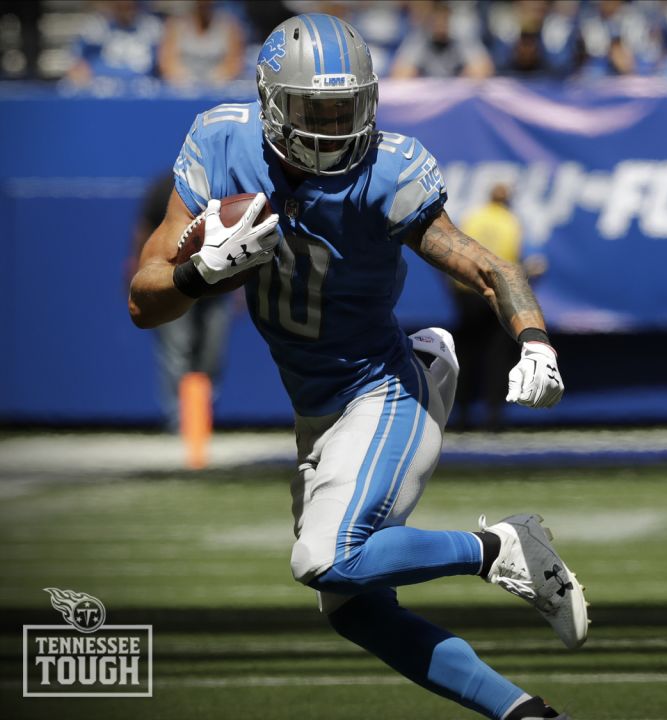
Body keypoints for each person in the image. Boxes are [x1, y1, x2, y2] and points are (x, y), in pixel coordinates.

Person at [127, 14, 585, 720]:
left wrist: (536, 341)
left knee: (326, 559)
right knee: (352, 609)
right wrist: (198, 273)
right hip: (317, 410)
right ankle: (524, 713)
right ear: (271, 102)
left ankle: (497, 546)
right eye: (317, 111)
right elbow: (143, 299)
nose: (335, 127)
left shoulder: (388, 168)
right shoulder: (221, 141)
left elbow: (489, 268)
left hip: (384, 387)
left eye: (347, 109)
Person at [130, 174, 232, 434]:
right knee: (177, 352)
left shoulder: (221, 187)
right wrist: (139, 270)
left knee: (211, 355)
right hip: (173, 282)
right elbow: (144, 229)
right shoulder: (165, 187)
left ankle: (200, 422)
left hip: (215, 287)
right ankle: (179, 423)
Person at [453, 183, 543, 431]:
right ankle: (494, 416)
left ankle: (461, 414)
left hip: (468, 292)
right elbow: (525, 261)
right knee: (498, 354)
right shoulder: (512, 222)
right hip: (499, 292)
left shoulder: (473, 217)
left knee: (467, 355)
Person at [157, 0, 245, 87]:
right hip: (182, 88)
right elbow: (167, 61)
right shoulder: (175, 25)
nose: (204, 3)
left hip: (218, 88)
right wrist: (184, 79)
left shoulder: (229, 25)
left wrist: (216, 78)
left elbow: (234, 62)